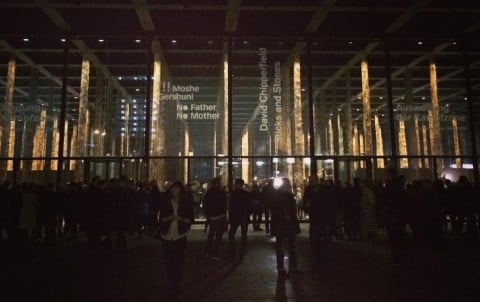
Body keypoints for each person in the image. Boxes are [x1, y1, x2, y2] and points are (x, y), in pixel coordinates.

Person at [158, 181, 194, 301]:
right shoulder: (166, 202)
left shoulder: (185, 204)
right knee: (169, 264)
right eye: (173, 189)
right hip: (167, 237)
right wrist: (169, 218)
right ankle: (171, 286)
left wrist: (181, 219)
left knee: (178, 264)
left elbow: (190, 220)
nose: (175, 192)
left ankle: (176, 289)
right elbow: (160, 219)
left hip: (179, 237)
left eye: (177, 190)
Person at [266, 177, 301, 276]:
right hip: (282, 225)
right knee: (284, 246)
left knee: (289, 246)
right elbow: (274, 209)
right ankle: (284, 268)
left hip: (287, 225)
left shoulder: (287, 195)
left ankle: (289, 268)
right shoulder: (280, 196)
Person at [227, 178, 253, 261]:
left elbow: (231, 207)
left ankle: (233, 253)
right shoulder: (246, 194)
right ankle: (241, 253)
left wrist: (230, 218)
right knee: (243, 236)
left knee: (232, 235)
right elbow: (249, 207)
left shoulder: (234, 194)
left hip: (236, 217)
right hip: (243, 217)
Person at [202, 176, 228, 259]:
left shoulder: (209, 192)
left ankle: (208, 251)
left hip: (212, 216)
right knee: (218, 236)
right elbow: (225, 205)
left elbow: (205, 203)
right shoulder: (221, 193)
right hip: (220, 216)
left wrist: (207, 214)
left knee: (211, 234)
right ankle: (215, 253)